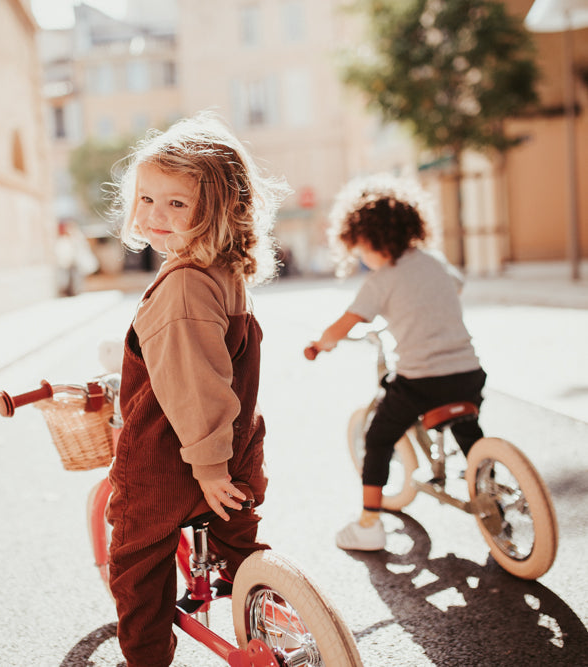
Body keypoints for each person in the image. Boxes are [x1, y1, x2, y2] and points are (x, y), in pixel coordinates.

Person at [105, 112, 289, 666]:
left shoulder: (182, 287)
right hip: (233, 449)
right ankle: (283, 629)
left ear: (221, 209)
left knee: (138, 567)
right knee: (241, 551)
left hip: (171, 460)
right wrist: (219, 464)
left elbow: (194, 385)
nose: (156, 215)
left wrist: (205, 468)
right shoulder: (220, 273)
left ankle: (146, 660)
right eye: (147, 199)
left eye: (177, 203)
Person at [304, 174, 486, 552]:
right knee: (467, 429)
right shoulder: (435, 262)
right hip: (469, 374)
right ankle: (489, 483)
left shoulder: (381, 281)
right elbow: (457, 286)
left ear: (368, 239)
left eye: (359, 251)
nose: (362, 259)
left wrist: (321, 344)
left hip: (421, 382)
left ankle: (369, 524)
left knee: (378, 437)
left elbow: (346, 323)